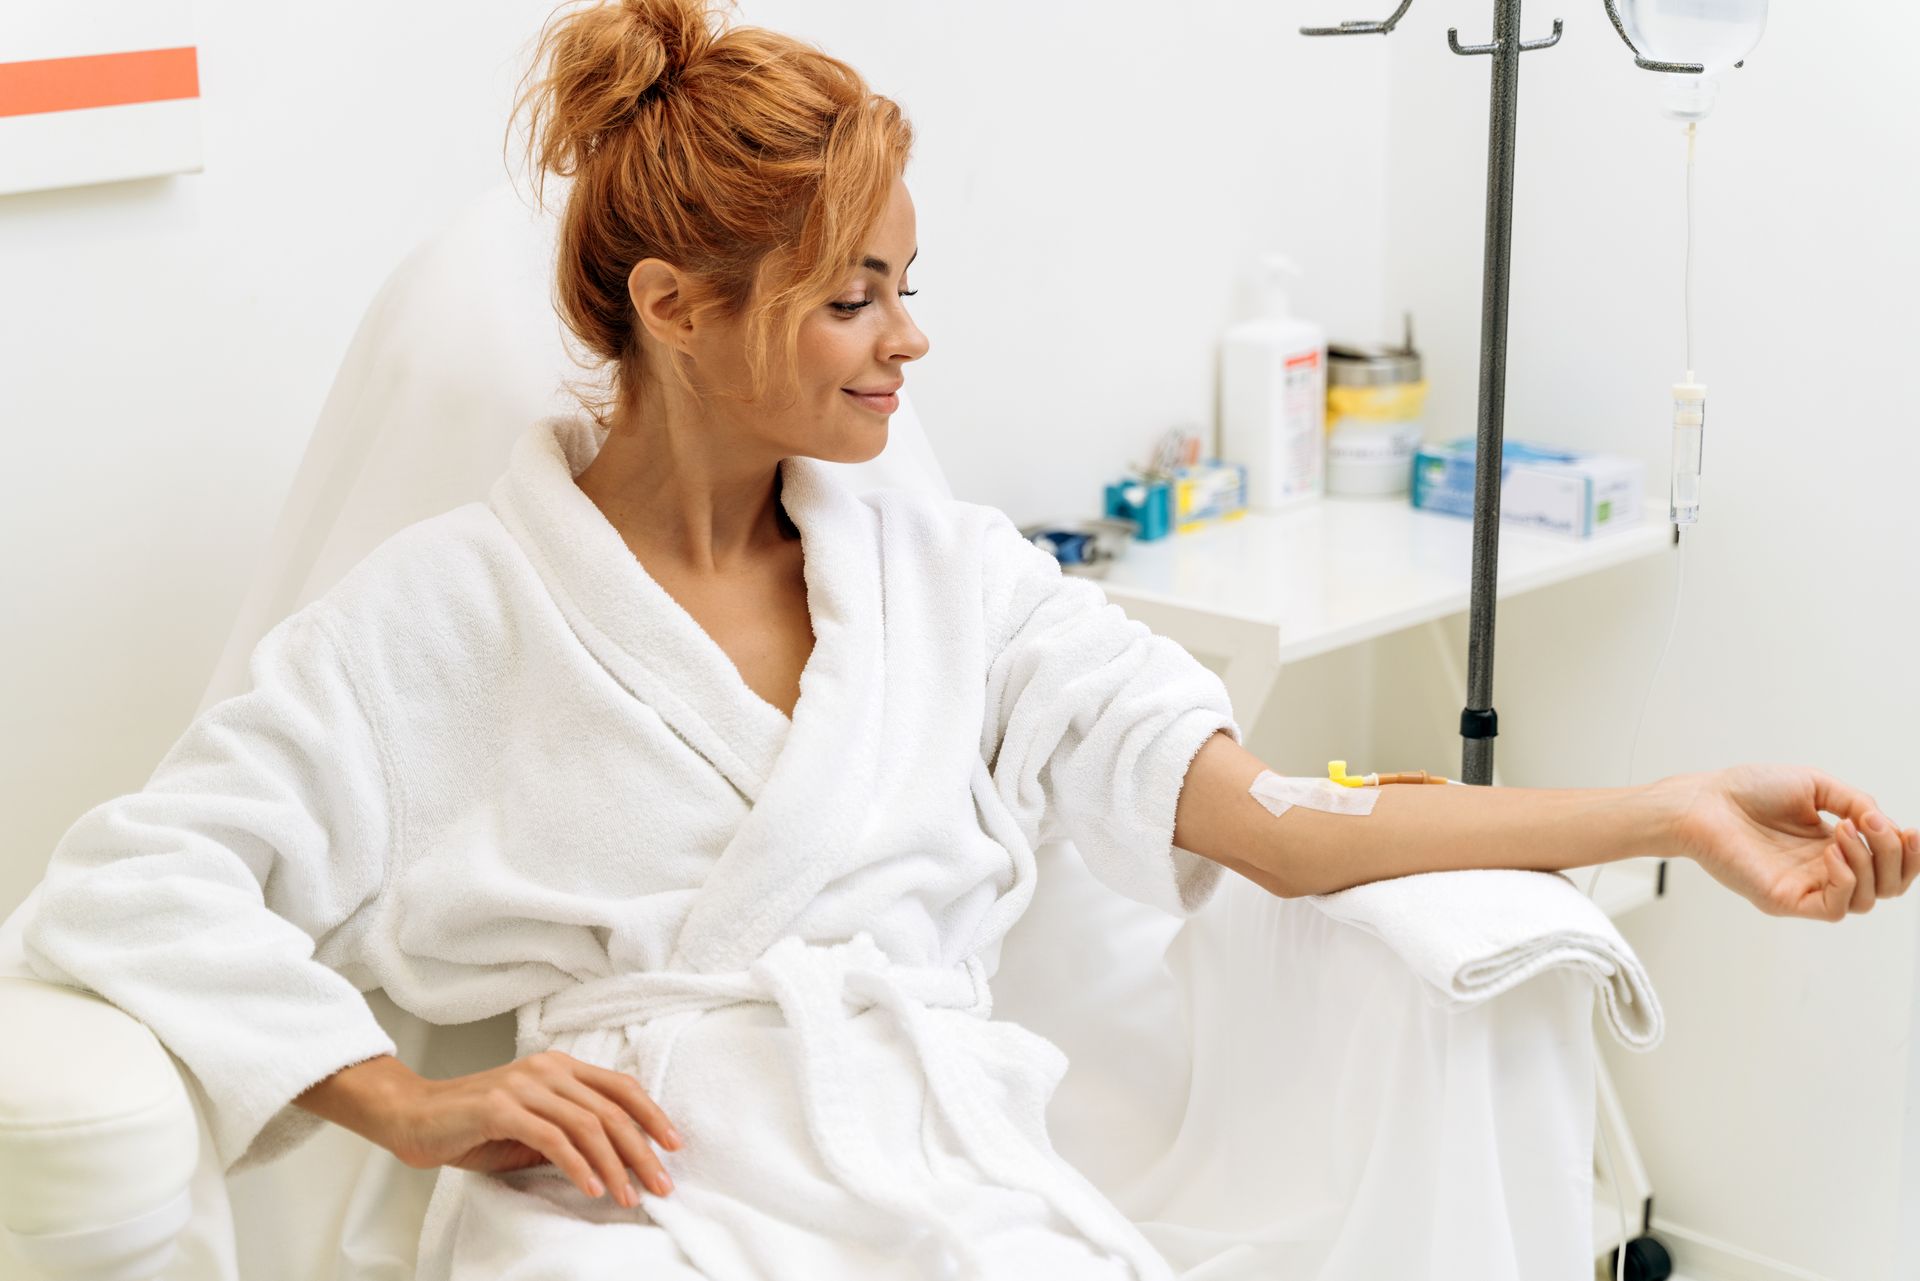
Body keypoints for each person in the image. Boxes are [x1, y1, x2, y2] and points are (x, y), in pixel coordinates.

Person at [22, 0, 1917, 1277]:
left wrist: (1665, 808)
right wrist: (412, 1099)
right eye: (854, 301)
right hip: (635, 1207)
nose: (911, 343)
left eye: (906, 288)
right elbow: (136, 884)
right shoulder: (453, 607)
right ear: (677, 308)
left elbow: (1280, 822)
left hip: (937, 1169)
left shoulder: (949, 576)